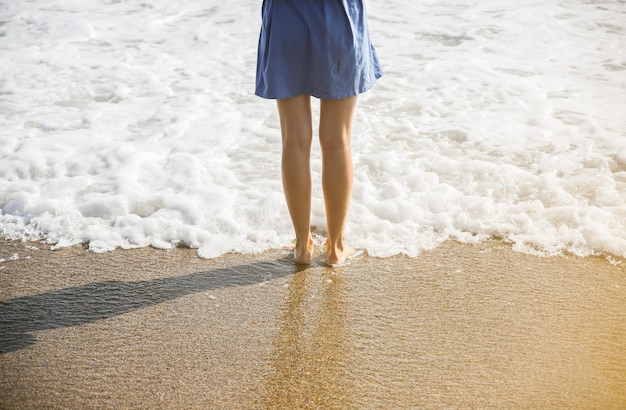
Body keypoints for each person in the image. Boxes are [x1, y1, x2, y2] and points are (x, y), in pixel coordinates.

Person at [255, 0, 382, 266]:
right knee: (338, 141)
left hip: (285, 21)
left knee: (294, 141)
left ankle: (303, 246)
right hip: (338, 19)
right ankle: (335, 248)